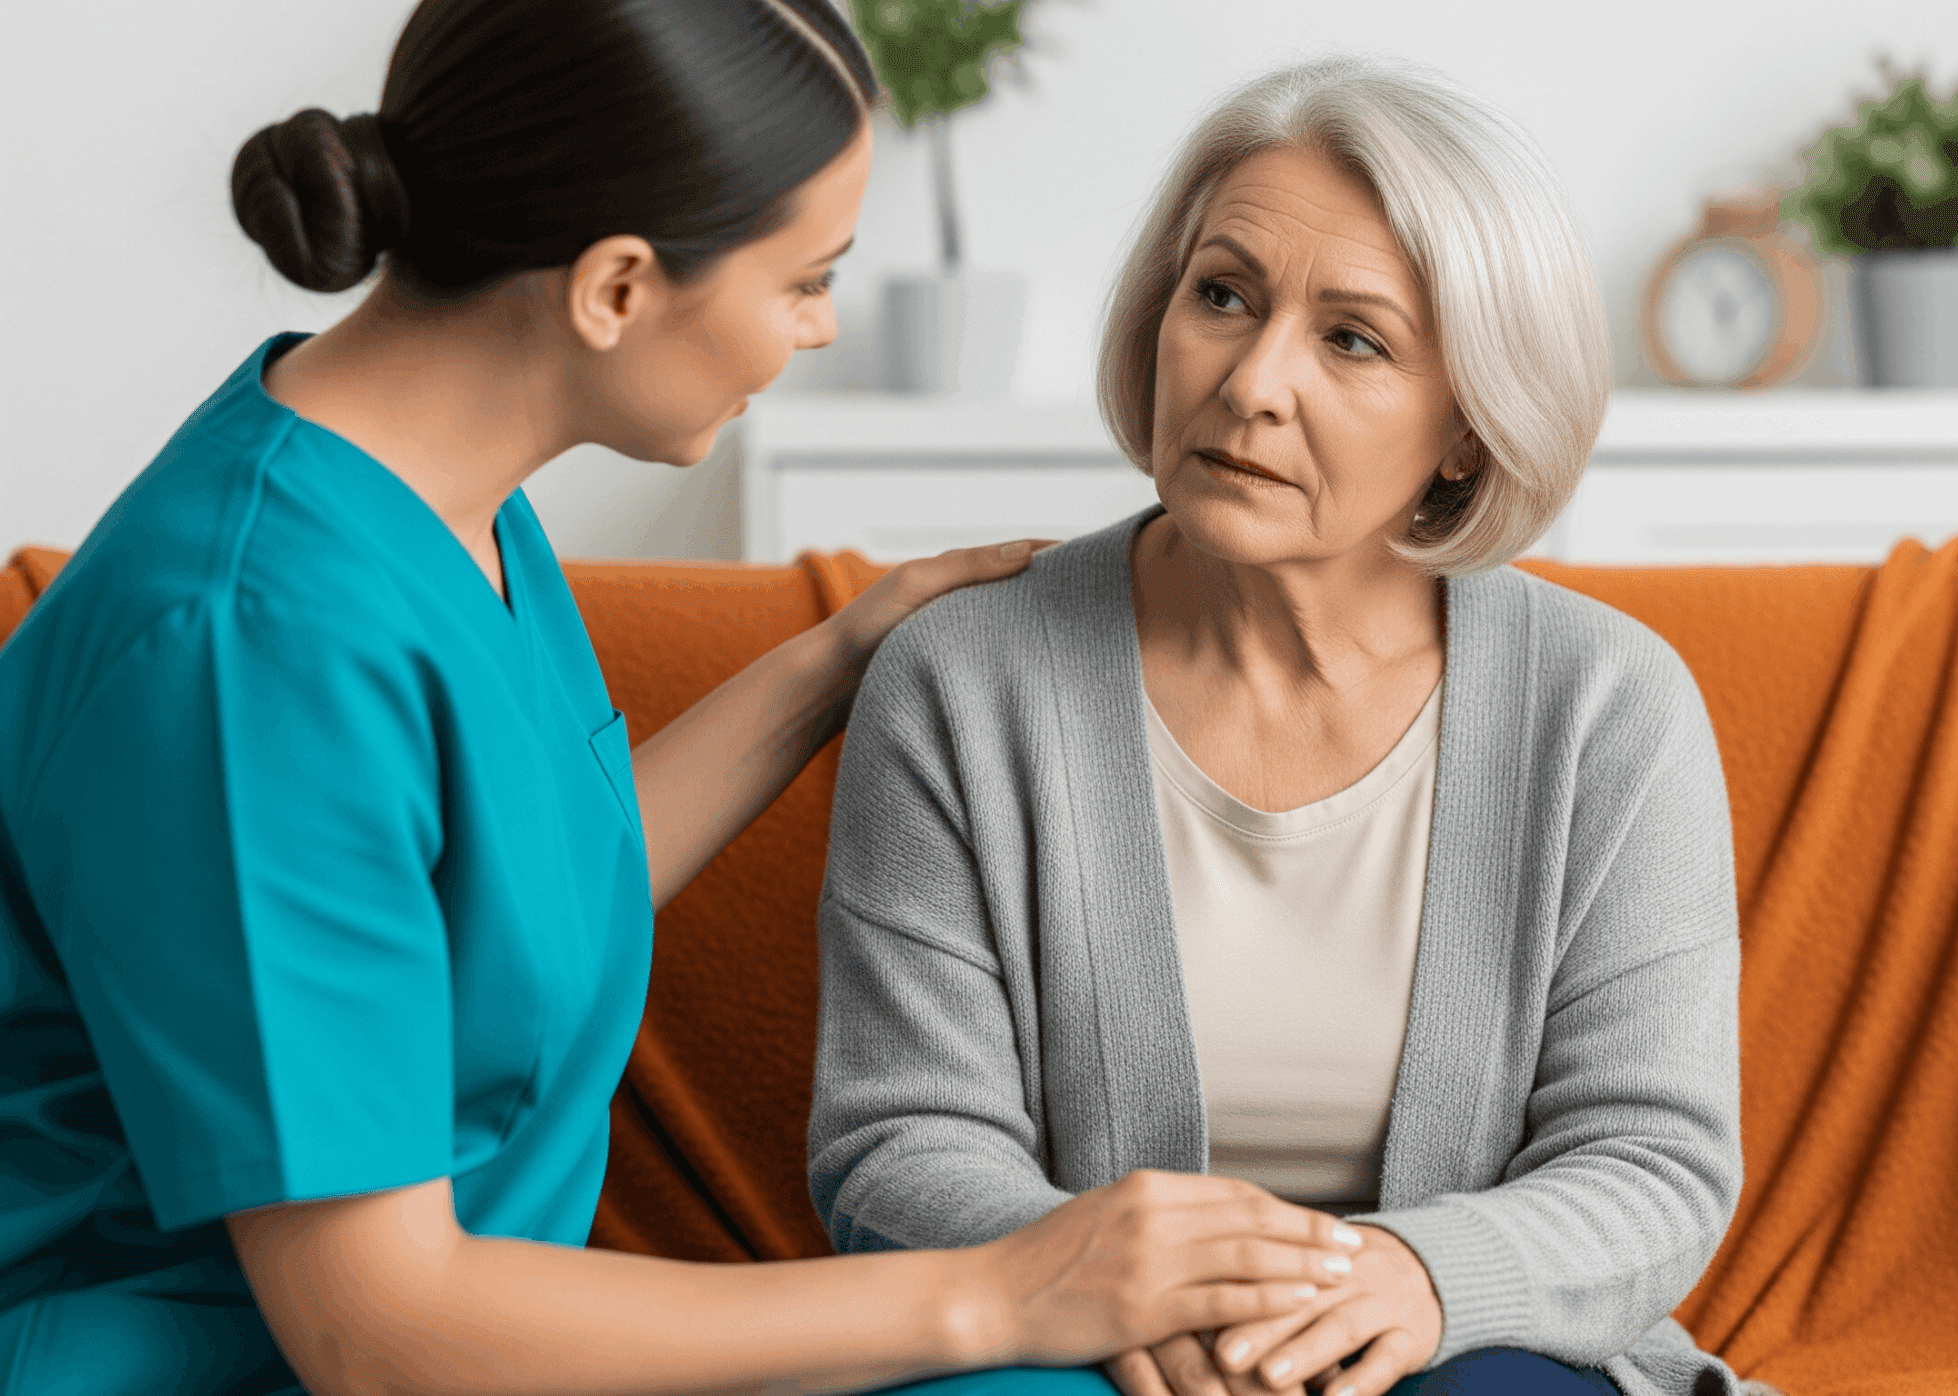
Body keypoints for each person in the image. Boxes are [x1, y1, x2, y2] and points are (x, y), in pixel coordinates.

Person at [0, 4, 1361, 1394]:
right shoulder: (254, 648)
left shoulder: (433, 497)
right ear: (616, 289)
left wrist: (840, 656)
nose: (822, 328)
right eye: (805, 278)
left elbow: (515, 908)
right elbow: (376, 1333)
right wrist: (995, 1294)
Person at [811, 56, 1745, 1396]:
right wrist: (1123, 1294)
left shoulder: (1611, 703)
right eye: (1223, 295)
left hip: (1461, 1341)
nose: (1252, 381)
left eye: (1351, 339)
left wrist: (1418, 1280)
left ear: (1467, 431)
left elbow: (1653, 1161)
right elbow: (895, 1147)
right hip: (1081, 1348)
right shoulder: (962, 679)